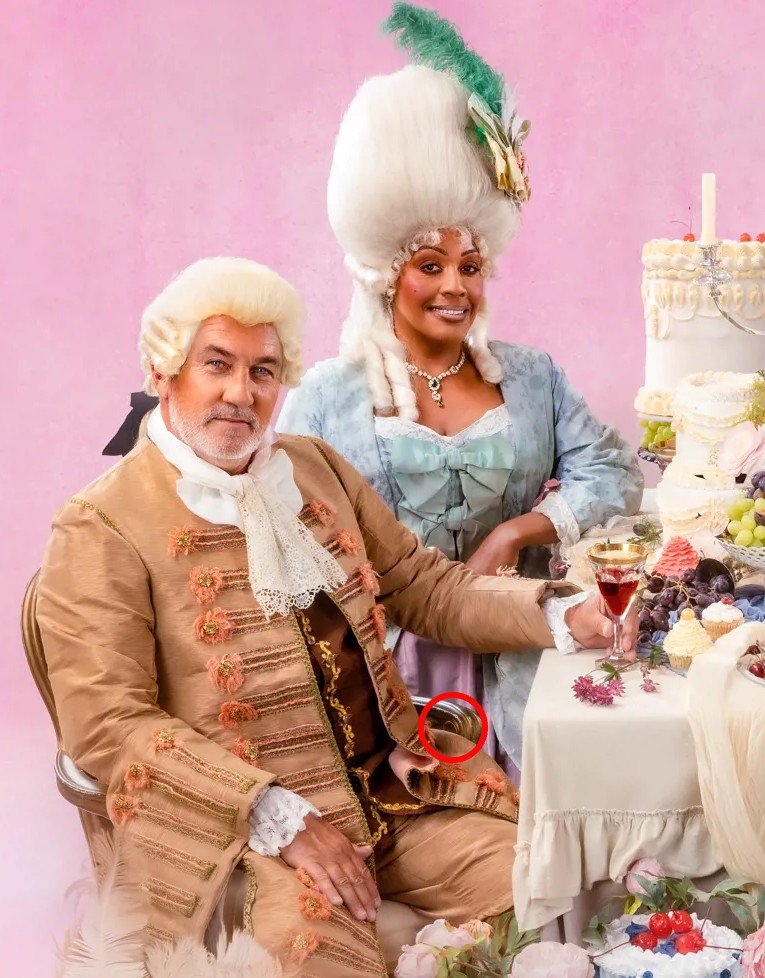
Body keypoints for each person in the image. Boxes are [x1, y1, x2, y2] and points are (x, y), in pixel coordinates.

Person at [39, 256, 634, 976]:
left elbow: (425, 587)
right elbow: (107, 724)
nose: (241, 392)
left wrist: (565, 614)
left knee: (541, 888)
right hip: (245, 837)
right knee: (322, 961)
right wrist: (276, 816)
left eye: (263, 371)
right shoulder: (99, 525)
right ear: (164, 373)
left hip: (392, 791)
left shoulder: (313, 466)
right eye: (217, 364)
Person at [277, 2, 641, 770]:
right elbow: (289, 542)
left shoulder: (532, 377)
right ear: (388, 273)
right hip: (381, 673)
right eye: (430, 265)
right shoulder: (326, 398)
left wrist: (516, 533)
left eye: (469, 266)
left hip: (520, 650)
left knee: (543, 808)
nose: (454, 286)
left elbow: (612, 471)